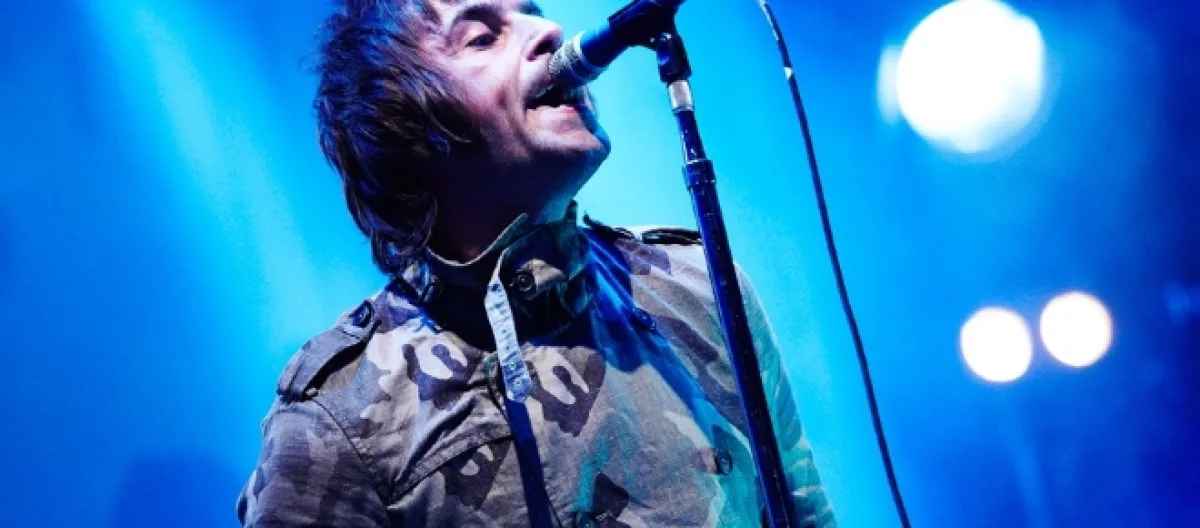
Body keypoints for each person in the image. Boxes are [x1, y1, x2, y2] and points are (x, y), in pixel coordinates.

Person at [237, 0, 836, 526]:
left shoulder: (699, 283)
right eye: (481, 37)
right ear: (403, 128)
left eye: (533, 13)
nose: (547, 33)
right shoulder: (337, 423)